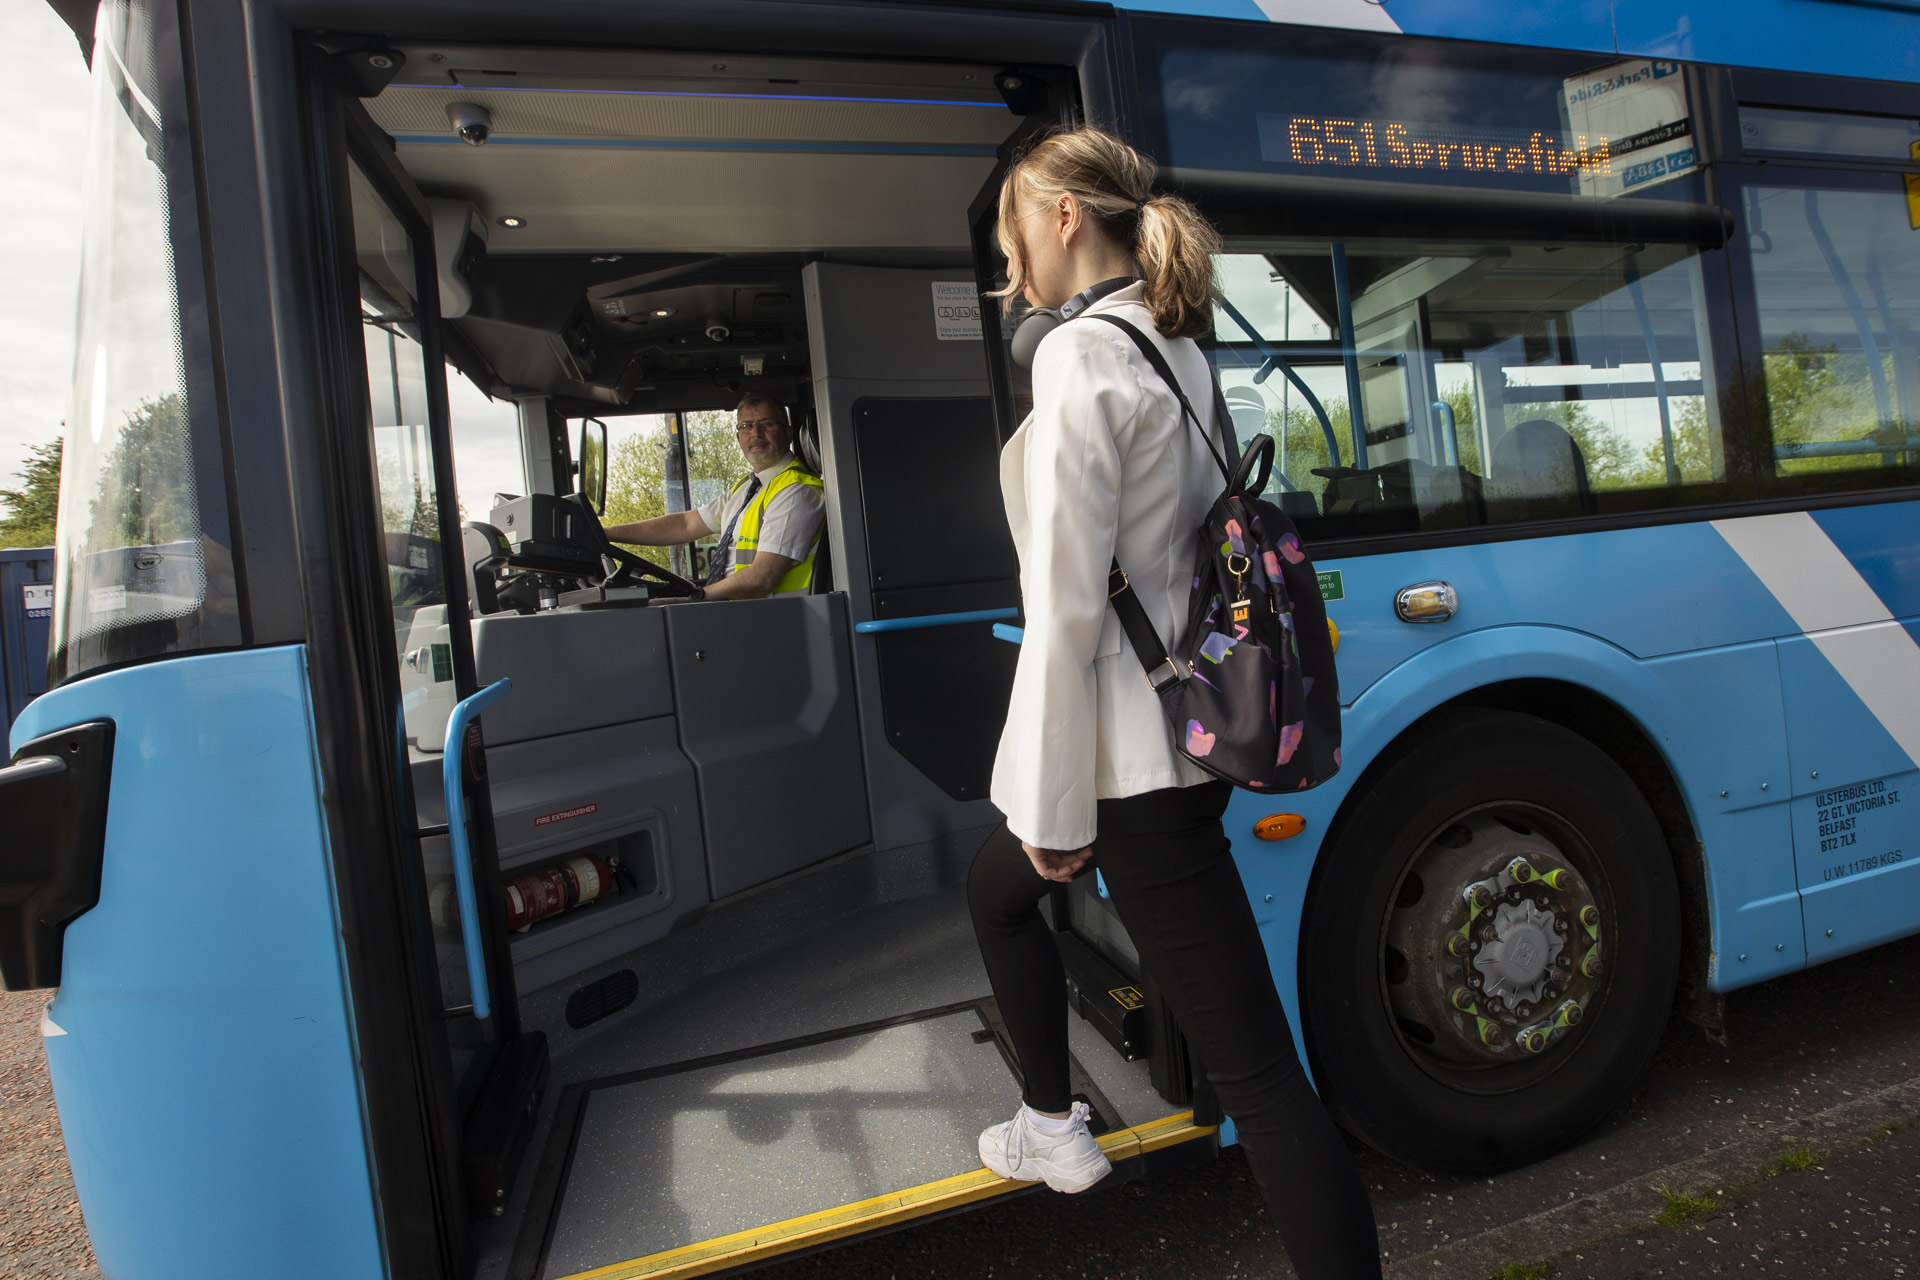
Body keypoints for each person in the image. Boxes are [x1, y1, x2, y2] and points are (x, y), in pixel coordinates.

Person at [967, 127, 1384, 1280]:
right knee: (992, 890)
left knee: (1261, 1079)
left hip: (1126, 771)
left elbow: (1064, 603)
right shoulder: (1174, 344)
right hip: (1178, 735)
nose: (1012, 273)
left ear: (1062, 217)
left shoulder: (1076, 357)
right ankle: (1052, 1123)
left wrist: (1054, 806)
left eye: (1014, 241)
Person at [601, 394, 825, 599]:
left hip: (778, 621)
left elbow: (762, 578)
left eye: (766, 424)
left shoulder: (797, 491)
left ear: (787, 433)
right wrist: (605, 534)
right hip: (744, 614)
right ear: (739, 438)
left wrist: (696, 596)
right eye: (747, 426)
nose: (755, 434)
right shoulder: (747, 487)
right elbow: (686, 524)